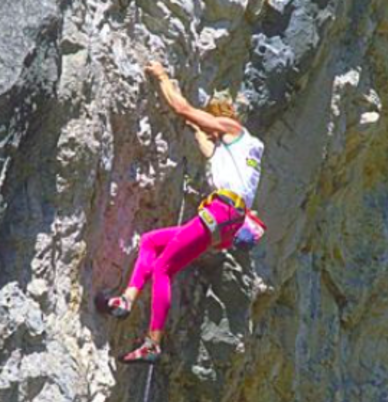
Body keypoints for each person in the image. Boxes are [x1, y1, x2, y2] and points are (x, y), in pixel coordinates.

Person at [97, 61, 265, 364]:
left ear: (222, 119)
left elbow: (184, 109)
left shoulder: (233, 129)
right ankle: (127, 299)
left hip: (221, 211)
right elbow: (202, 137)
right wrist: (195, 128)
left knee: (163, 268)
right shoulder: (238, 152)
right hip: (226, 220)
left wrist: (162, 77)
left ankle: (153, 342)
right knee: (150, 242)